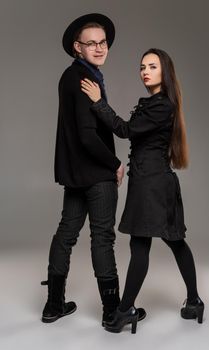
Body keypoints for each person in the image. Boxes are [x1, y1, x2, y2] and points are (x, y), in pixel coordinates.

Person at [81, 48, 205, 334]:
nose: (145, 71)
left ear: (165, 72)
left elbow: (125, 130)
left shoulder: (162, 106)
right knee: (172, 242)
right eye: (142, 67)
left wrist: (99, 103)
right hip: (150, 182)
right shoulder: (157, 103)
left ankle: (124, 311)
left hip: (152, 185)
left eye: (152, 66)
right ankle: (194, 301)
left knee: (144, 245)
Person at [41, 13, 146, 326]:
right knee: (102, 239)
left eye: (103, 42)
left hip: (75, 174)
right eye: (92, 43)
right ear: (77, 47)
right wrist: (114, 163)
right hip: (97, 174)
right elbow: (88, 135)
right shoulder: (87, 79)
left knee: (66, 233)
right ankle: (112, 312)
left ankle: (53, 305)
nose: (100, 48)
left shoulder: (70, 75)